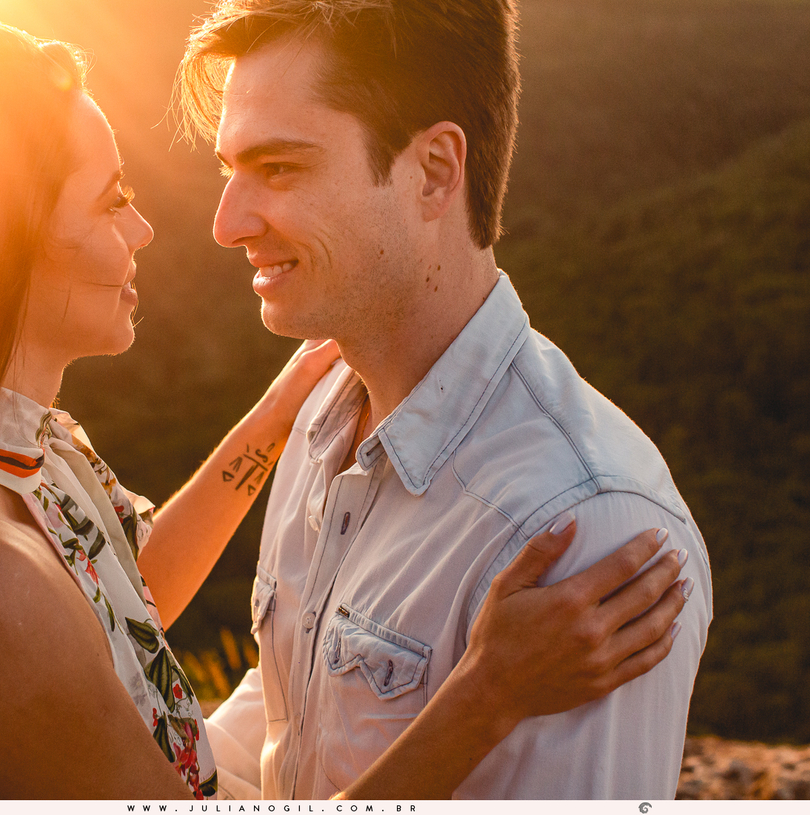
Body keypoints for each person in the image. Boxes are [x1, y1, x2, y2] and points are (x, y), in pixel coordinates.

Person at [0, 17, 689, 800]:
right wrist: (487, 695)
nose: (170, 226)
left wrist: (275, 419)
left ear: (437, 170)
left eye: (280, 167)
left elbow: (123, 592)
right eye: (111, 199)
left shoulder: (16, 451)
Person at [175, 0, 714, 800]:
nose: (227, 223)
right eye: (230, 171)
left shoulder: (584, 530)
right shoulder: (324, 420)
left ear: (433, 172)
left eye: (279, 168)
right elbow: (297, 714)